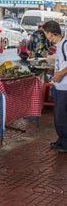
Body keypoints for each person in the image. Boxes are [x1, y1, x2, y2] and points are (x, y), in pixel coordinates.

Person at [42, 20, 67, 153]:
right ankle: (61, 140)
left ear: (51, 33)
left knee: (61, 116)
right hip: (59, 86)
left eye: (46, 33)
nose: (46, 36)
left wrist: (60, 74)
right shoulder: (60, 45)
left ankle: (65, 143)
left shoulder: (65, 44)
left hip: (65, 87)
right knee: (59, 116)